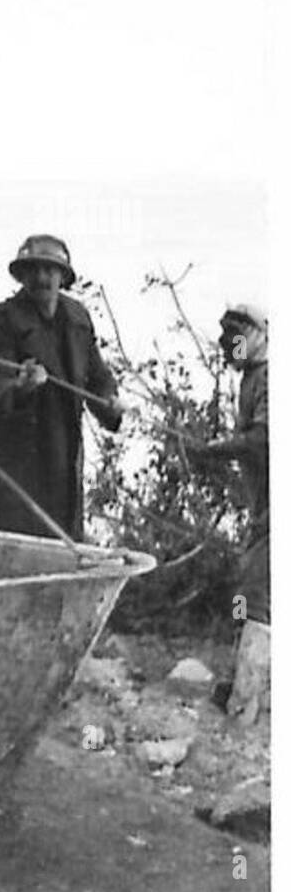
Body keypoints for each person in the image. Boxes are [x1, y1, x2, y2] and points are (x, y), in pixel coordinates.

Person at [0, 234, 125, 540]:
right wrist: (21, 386)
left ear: (63, 276)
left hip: (62, 459)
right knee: (0, 545)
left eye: (49, 270)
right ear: (22, 276)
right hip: (12, 462)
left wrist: (109, 402)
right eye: (33, 270)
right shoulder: (3, 318)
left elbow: (98, 378)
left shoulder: (78, 320)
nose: (42, 278)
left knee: (59, 541)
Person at [190, 304, 269, 722]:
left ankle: (246, 700)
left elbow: (260, 441)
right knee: (245, 594)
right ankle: (242, 681)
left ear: (259, 334)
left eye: (237, 337)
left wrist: (212, 451)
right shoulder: (250, 379)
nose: (230, 346)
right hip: (262, 509)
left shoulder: (272, 375)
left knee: (256, 599)